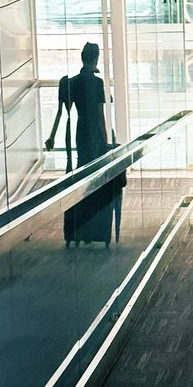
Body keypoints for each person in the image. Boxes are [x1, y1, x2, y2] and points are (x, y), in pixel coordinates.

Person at [56, 42, 120, 247]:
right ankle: (96, 228)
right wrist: (105, 140)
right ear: (96, 58)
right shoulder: (97, 83)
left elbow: (63, 113)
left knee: (82, 170)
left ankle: (79, 230)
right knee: (96, 177)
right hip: (94, 131)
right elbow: (100, 115)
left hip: (80, 129)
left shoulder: (72, 82)